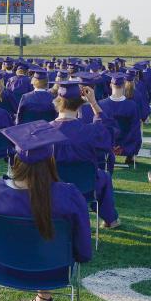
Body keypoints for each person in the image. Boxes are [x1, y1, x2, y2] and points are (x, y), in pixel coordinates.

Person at [0, 121, 92, 301]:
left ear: (17, 160)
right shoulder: (68, 195)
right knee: (46, 246)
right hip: (54, 269)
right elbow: (83, 249)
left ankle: (42, 300)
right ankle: (43, 299)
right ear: (51, 160)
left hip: (5, 265)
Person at [48, 81, 121, 228]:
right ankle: (110, 219)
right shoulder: (90, 132)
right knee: (104, 176)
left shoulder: (43, 132)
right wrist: (93, 103)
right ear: (80, 104)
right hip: (86, 187)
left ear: (58, 101)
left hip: (52, 188)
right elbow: (110, 131)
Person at [101, 73, 142, 164]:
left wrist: (111, 145)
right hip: (126, 143)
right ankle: (130, 157)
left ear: (110, 85)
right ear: (124, 85)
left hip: (106, 144)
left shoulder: (101, 104)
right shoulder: (132, 105)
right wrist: (122, 145)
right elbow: (135, 129)